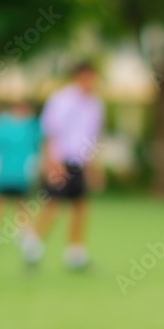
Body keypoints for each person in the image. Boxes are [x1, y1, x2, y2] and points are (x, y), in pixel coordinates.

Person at [22, 63, 104, 270]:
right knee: (52, 206)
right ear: (78, 77)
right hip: (60, 160)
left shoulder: (95, 105)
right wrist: (51, 162)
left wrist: (94, 167)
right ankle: (33, 246)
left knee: (80, 207)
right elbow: (51, 132)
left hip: (80, 161)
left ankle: (75, 253)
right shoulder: (61, 100)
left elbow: (93, 139)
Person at [0, 101, 41, 246]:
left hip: (22, 173)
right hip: (3, 171)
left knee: (22, 203)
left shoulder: (31, 126)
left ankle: (24, 231)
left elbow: (39, 145)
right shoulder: (0, 124)